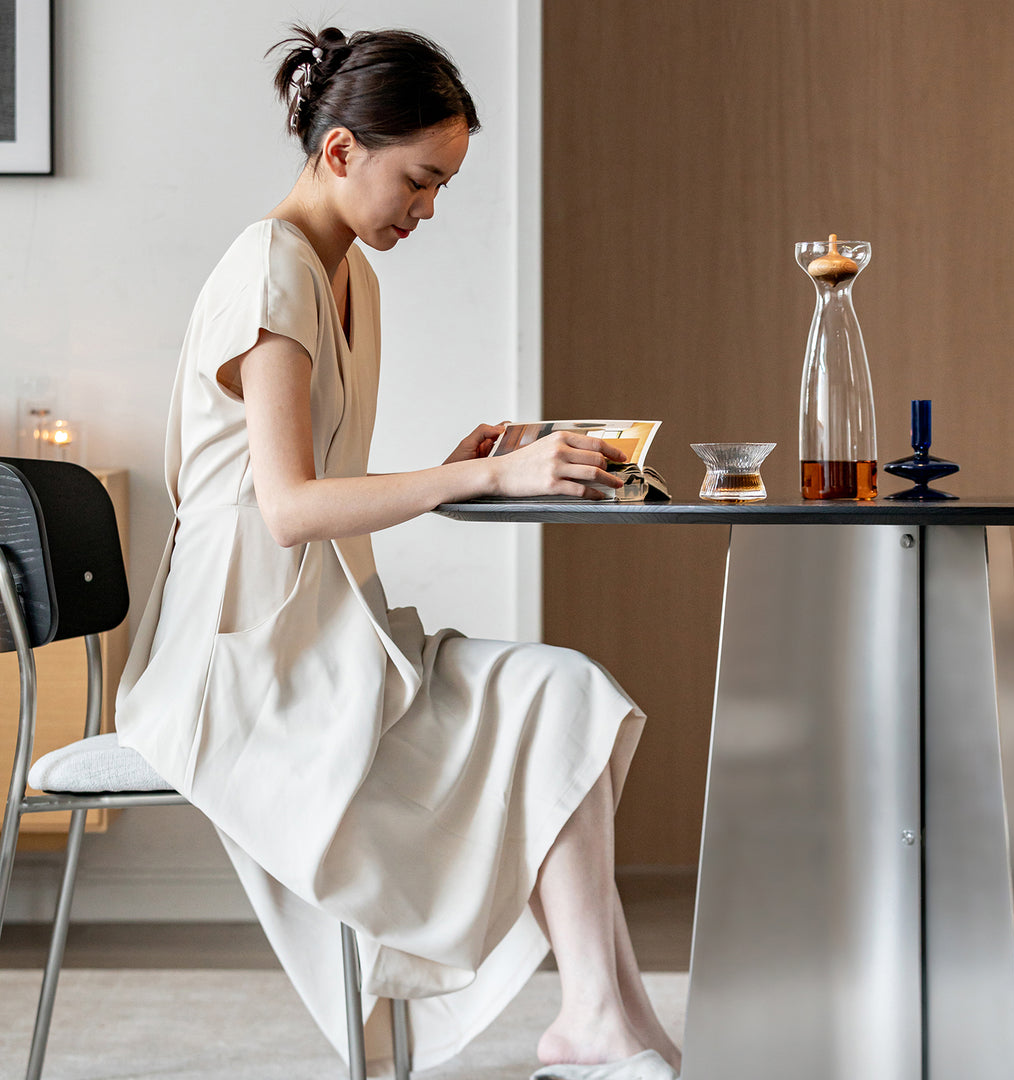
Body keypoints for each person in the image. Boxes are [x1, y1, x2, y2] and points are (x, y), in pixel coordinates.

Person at [115, 25, 680, 1080]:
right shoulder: (269, 268)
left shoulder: (348, 277)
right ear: (340, 153)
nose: (428, 210)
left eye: (443, 186)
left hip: (330, 636)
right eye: (419, 181)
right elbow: (286, 511)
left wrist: (458, 464)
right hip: (239, 664)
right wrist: (482, 479)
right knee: (544, 704)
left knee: (568, 696)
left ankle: (602, 1015)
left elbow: (315, 488)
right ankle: (608, 1025)